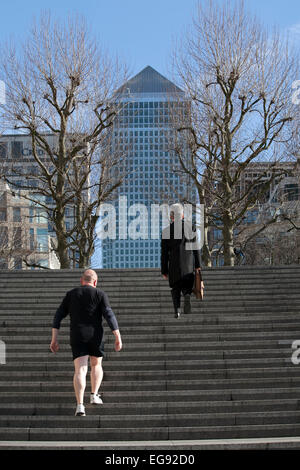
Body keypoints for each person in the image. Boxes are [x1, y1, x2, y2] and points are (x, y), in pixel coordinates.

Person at [50, 269, 122, 417]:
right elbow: (109, 314)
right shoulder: (100, 294)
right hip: (95, 335)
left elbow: (58, 316)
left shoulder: (71, 294)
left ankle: (80, 405)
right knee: (96, 365)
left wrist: (54, 338)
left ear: (82, 280)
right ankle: (94, 395)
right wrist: (117, 336)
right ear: (95, 282)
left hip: (77, 335)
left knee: (80, 370)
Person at [161, 204, 203, 318]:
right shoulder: (191, 227)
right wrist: (198, 265)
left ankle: (177, 310)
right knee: (186, 285)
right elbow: (196, 248)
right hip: (188, 265)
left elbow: (164, 254)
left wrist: (164, 270)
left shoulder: (166, 231)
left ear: (171, 216)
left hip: (174, 266)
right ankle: (187, 294)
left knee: (175, 288)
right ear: (183, 215)